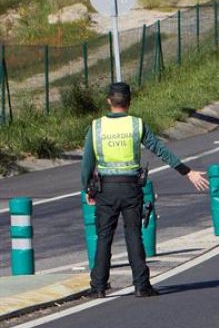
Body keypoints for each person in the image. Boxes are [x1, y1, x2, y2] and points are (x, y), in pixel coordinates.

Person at [81, 83, 209, 298]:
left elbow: (86, 163)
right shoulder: (136, 125)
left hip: (106, 189)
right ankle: (141, 285)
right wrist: (186, 172)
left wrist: (87, 188)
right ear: (129, 101)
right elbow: (161, 150)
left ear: (108, 101)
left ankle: (99, 287)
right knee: (133, 235)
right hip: (131, 189)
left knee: (104, 237)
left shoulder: (96, 127)